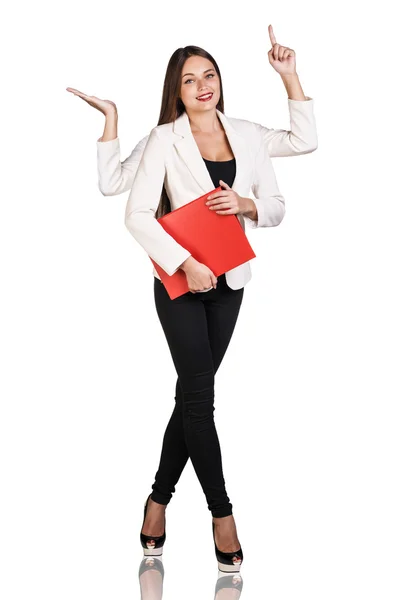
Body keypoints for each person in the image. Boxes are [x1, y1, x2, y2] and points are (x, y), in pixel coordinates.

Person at [66, 24, 317, 572]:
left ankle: (156, 503)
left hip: (230, 284)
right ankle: (222, 516)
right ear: (175, 92)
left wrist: (248, 204)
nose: (202, 85)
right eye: (189, 80)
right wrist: (186, 262)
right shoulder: (164, 139)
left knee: (190, 400)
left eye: (209, 75)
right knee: (200, 403)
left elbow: (297, 157)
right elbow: (130, 210)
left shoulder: (247, 134)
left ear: (220, 81)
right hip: (180, 282)